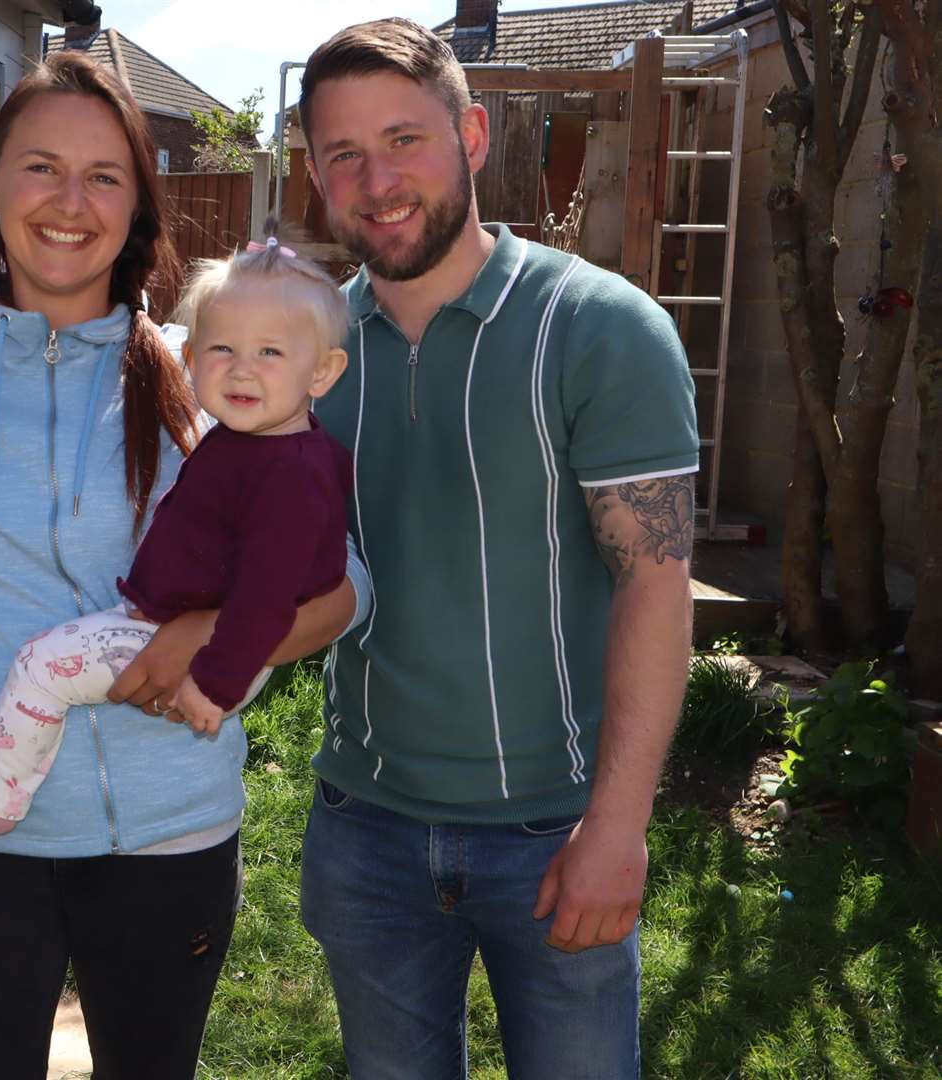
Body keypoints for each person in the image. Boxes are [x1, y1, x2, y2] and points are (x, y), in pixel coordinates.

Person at [0, 51, 369, 1079]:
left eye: (105, 176)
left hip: (168, 834)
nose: (69, 202)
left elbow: (346, 584)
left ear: (137, 202)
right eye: (40, 167)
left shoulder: (209, 373)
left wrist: (205, 637)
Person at [293, 18, 698, 1079]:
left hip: (556, 835)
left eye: (404, 140)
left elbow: (656, 584)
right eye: (343, 153)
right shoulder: (310, 359)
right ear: (314, 173)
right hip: (364, 827)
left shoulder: (600, 330)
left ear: (472, 134)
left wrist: (617, 830)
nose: (376, 180)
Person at [0, 232, 352, 838]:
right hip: (201, 634)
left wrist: (215, 684)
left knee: (43, 666)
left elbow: (270, 593)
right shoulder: (258, 440)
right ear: (193, 361)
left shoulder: (288, 475)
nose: (242, 369)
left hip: (212, 652)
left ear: (322, 372)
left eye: (271, 353)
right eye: (222, 348)